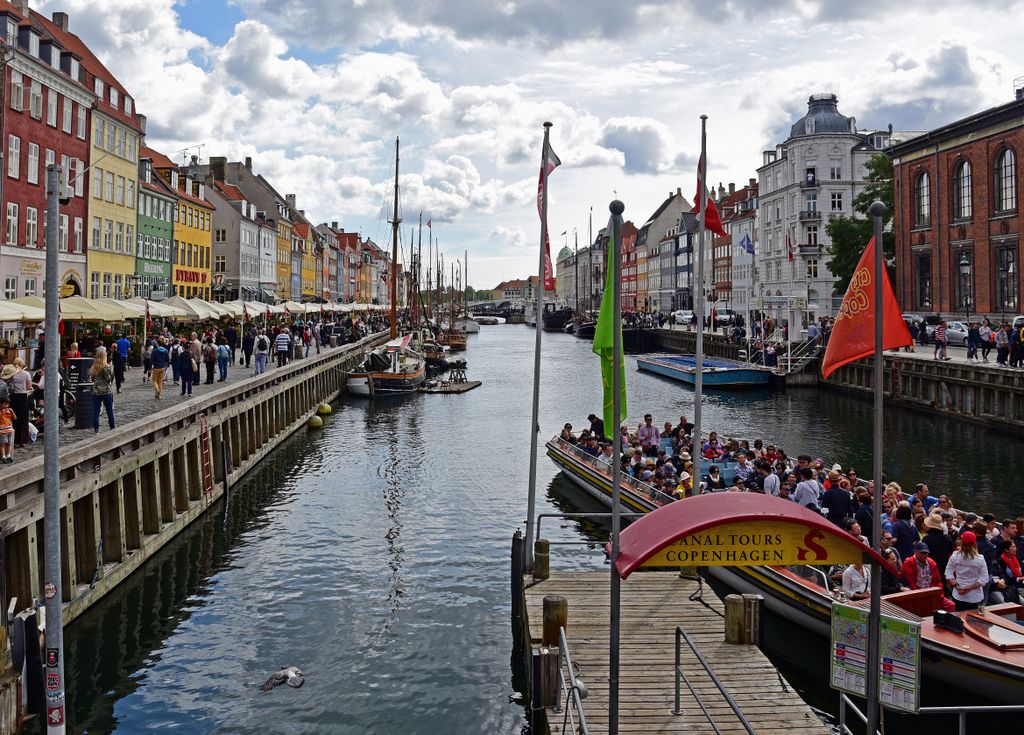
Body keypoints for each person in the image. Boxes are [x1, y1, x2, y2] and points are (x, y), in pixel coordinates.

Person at [946, 531, 989, 611]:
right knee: (974, 618)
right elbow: (984, 579)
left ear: (962, 542)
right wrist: (969, 588)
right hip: (974, 596)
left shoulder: (955, 556)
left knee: (959, 616)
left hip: (959, 594)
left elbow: (948, 572)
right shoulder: (980, 559)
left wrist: (956, 585)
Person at [90, 346, 116, 433]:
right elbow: (111, 379)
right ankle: (112, 428)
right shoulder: (108, 367)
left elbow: (92, 379)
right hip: (106, 391)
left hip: (96, 392)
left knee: (96, 412)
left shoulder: (93, 368)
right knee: (109, 412)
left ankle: (96, 430)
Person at [7, 359, 32, 447]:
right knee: (24, 419)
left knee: (15, 418)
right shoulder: (26, 374)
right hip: (23, 397)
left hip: (13, 398)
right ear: (22, 364)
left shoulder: (11, 374)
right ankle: (24, 440)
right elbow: (29, 387)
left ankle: (16, 439)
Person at [0, 395, 14, 464]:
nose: (7, 406)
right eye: (5, 404)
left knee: (9, 443)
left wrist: (12, 412)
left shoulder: (9, 411)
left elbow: (15, 418)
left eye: (7, 404)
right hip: (3, 431)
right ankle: (3, 457)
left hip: (10, 430)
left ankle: (8, 456)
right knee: (2, 444)